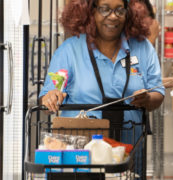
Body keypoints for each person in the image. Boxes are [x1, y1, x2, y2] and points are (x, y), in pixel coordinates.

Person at [39, 0, 165, 139]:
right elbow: (46, 99)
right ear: (91, 12)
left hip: (129, 151)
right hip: (82, 153)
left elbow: (157, 92)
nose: (113, 16)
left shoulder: (142, 47)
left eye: (120, 10)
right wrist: (50, 98)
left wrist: (147, 98)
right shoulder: (69, 50)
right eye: (104, 9)